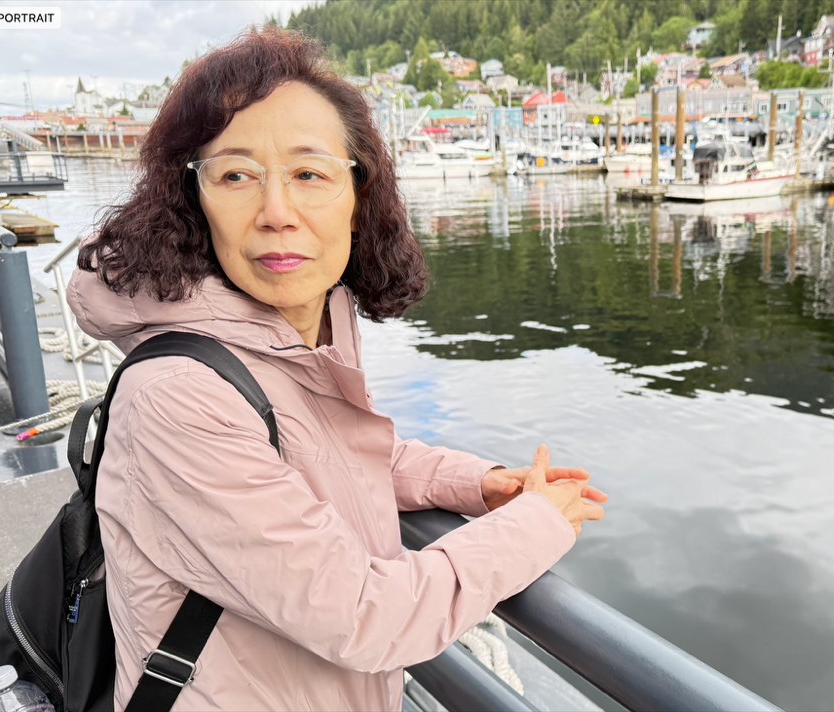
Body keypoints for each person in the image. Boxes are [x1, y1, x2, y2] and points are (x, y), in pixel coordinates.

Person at [67, 27, 606, 711]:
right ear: (192, 202)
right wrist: (539, 524)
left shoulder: (294, 327)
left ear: (358, 197)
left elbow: (328, 454)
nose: (277, 213)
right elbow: (364, 616)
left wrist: (478, 483)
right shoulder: (175, 394)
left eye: (309, 174)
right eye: (235, 175)